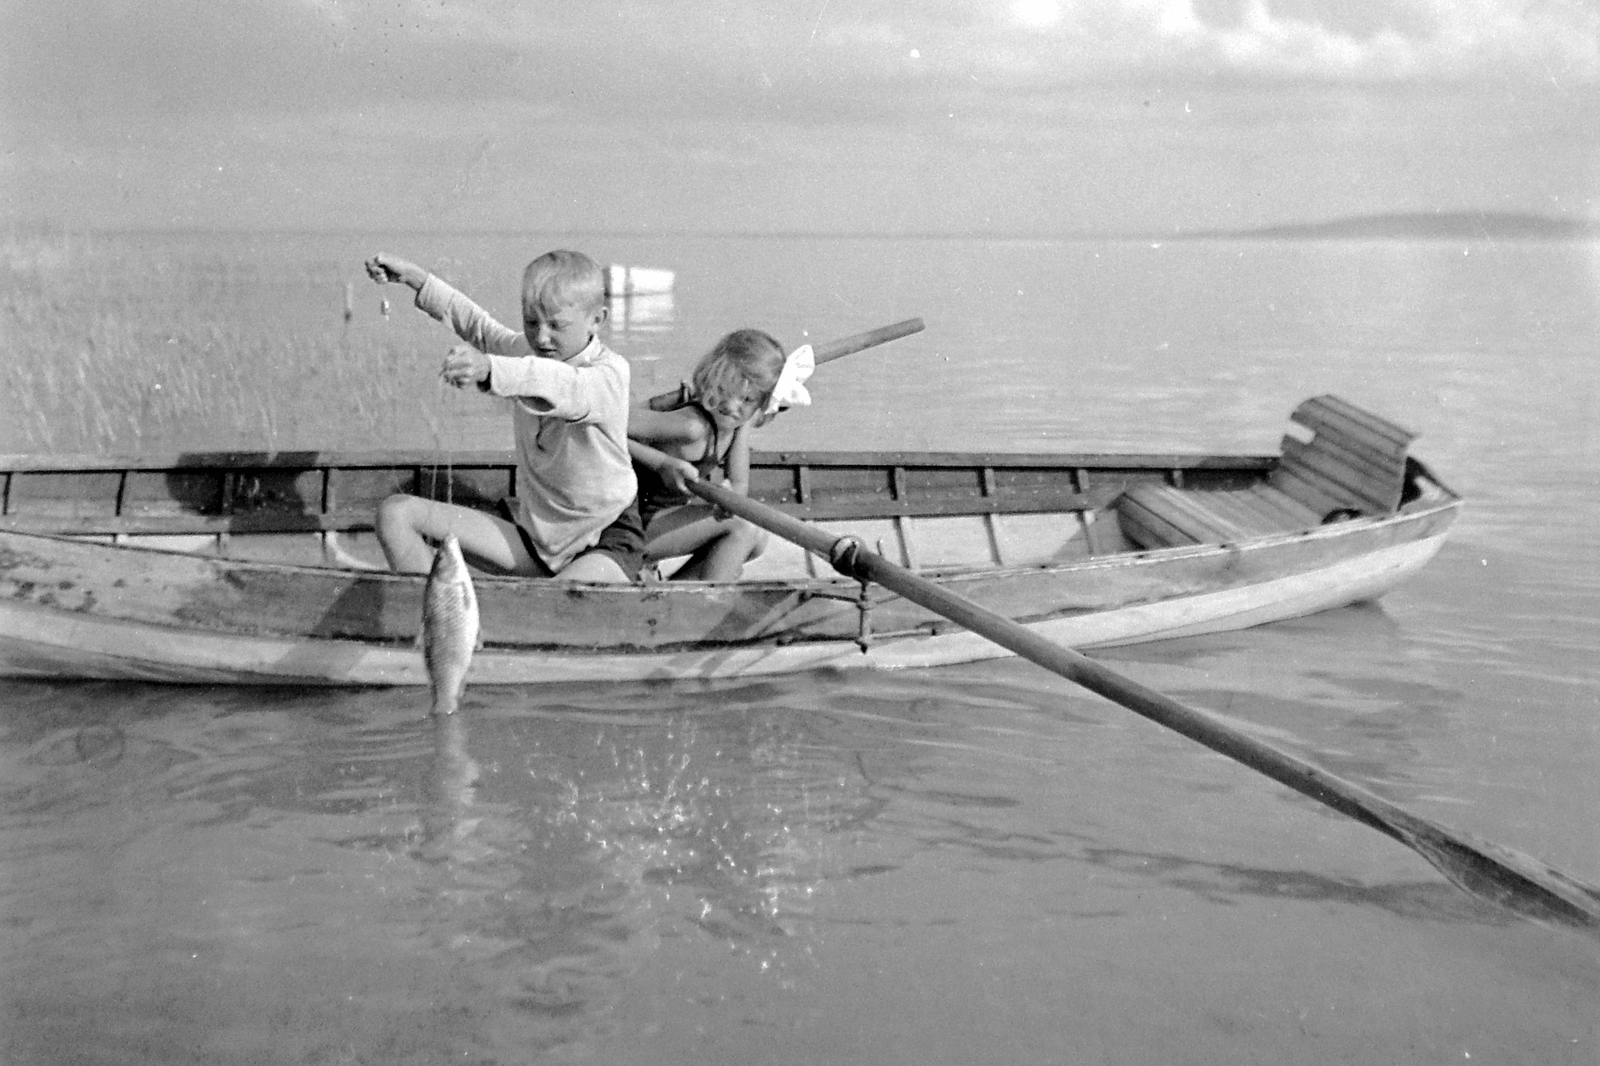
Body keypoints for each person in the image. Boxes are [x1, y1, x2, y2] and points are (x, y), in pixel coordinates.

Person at [364, 250, 643, 582]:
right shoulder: (526, 351)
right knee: (395, 514)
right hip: (537, 541)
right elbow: (480, 329)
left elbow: (557, 384)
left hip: (605, 541)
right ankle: (446, 624)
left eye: (556, 325)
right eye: (531, 322)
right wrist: (415, 278)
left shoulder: (609, 374)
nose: (541, 337)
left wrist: (488, 368)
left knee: (544, 608)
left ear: (597, 320)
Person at [627, 328, 799, 580]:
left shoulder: (735, 424)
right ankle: (709, 606)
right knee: (742, 529)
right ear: (710, 380)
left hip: (657, 524)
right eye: (723, 390)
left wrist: (748, 422)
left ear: (762, 403)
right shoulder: (692, 426)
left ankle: (677, 596)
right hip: (630, 529)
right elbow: (609, 424)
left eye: (747, 399)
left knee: (756, 537)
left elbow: (739, 487)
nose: (731, 405)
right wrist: (661, 462)